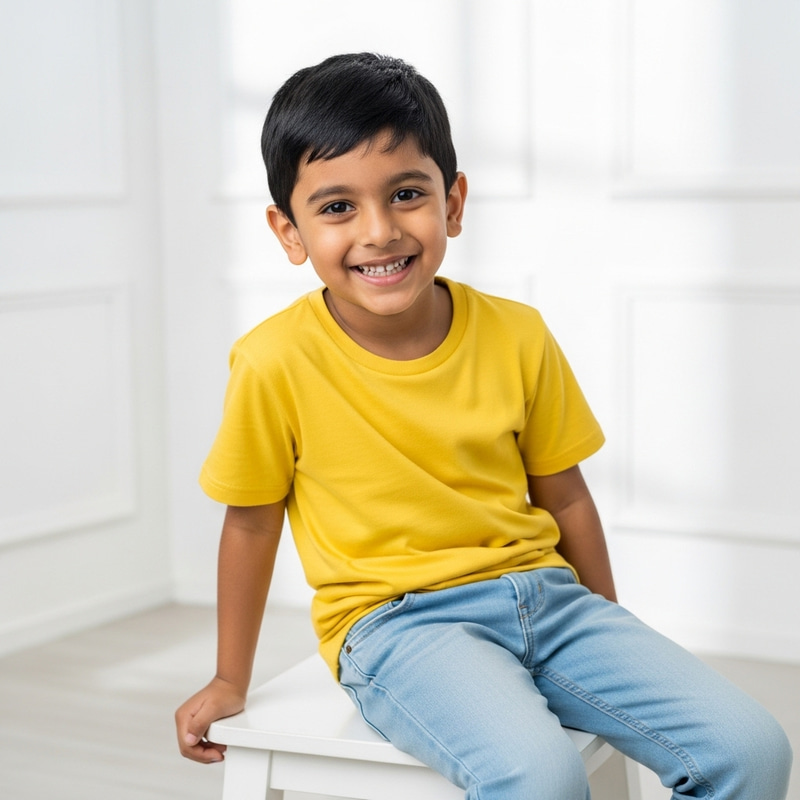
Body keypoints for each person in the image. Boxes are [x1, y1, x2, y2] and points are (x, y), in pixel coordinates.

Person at [175, 53, 792, 799]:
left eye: (406, 194)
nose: (379, 231)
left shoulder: (517, 334)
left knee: (751, 748)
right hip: (398, 628)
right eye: (338, 207)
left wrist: (612, 627)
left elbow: (565, 498)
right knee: (540, 778)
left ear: (454, 202)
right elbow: (250, 523)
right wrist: (227, 677)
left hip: (551, 601)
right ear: (289, 229)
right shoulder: (273, 361)